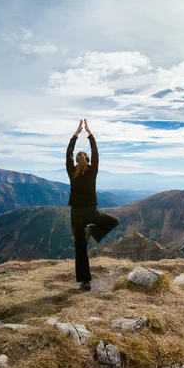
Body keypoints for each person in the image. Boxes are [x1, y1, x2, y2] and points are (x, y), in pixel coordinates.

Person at [66, 118, 119, 291]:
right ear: (88, 161)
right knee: (113, 221)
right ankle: (92, 230)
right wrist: (90, 134)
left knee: (80, 248)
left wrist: (75, 135)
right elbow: (96, 154)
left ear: (76, 160)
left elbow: (67, 153)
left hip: (76, 214)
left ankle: (85, 282)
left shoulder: (72, 171)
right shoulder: (92, 170)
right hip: (91, 213)